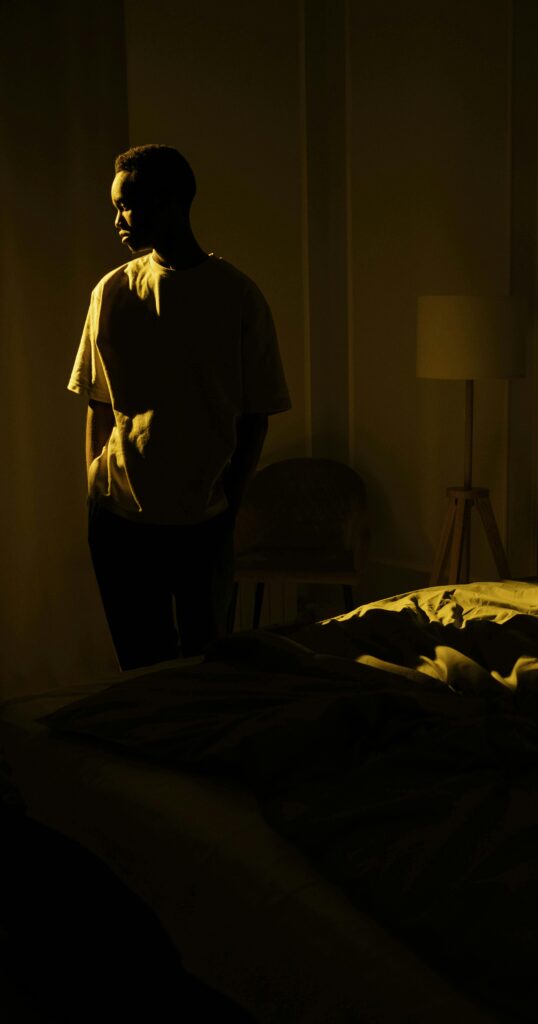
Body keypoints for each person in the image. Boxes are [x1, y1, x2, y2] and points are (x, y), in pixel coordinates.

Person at [68, 144, 291, 670]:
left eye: (127, 205)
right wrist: (94, 486)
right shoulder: (112, 291)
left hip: (201, 520)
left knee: (204, 667)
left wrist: (228, 507)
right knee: (140, 666)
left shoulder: (236, 296)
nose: (117, 219)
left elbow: (256, 413)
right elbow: (98, 401)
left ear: (169, 203)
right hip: (118, 518)